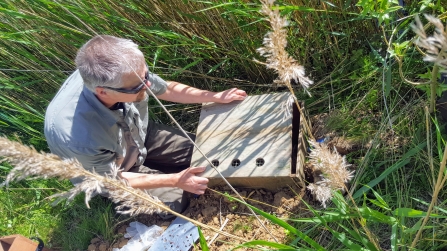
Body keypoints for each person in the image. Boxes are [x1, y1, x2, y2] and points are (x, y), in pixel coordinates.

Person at [44, 35, 247, 215]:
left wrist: (213, 97)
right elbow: (112, 179)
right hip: (111, 170)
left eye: (146, 76)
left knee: (210, 155)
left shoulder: (128, 74)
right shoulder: (78, 137)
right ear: (103, 92)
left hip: (139, 135)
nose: (148, 86)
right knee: (177, 202)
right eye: (139, 86)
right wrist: (175, 180)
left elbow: (166, 89)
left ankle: (158, 166)